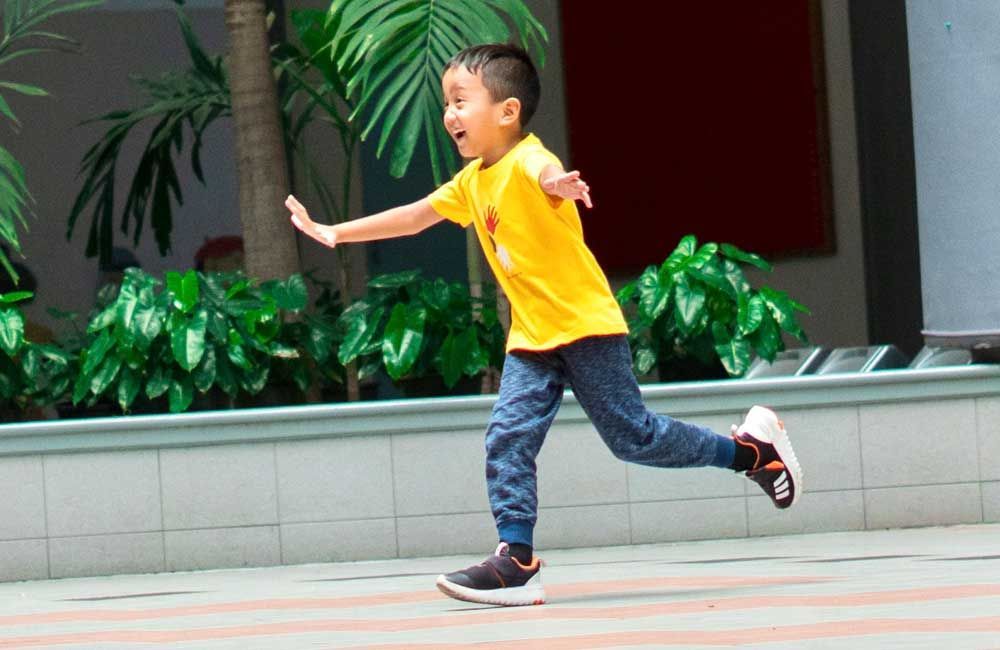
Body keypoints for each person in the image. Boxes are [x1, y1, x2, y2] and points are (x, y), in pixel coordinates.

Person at [286, 43, 803, 607]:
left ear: (507, 112)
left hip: (585, 329)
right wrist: (336, 233)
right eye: (446, 103)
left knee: (635, 439)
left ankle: (752, 452)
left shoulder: (529, 160)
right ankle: (516, 558)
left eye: (461, 100)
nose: (449, 114)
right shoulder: (471, 183)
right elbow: (414, 217)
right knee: (507, 437)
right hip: (531, 340)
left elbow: (544, 172)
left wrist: (559, 187)